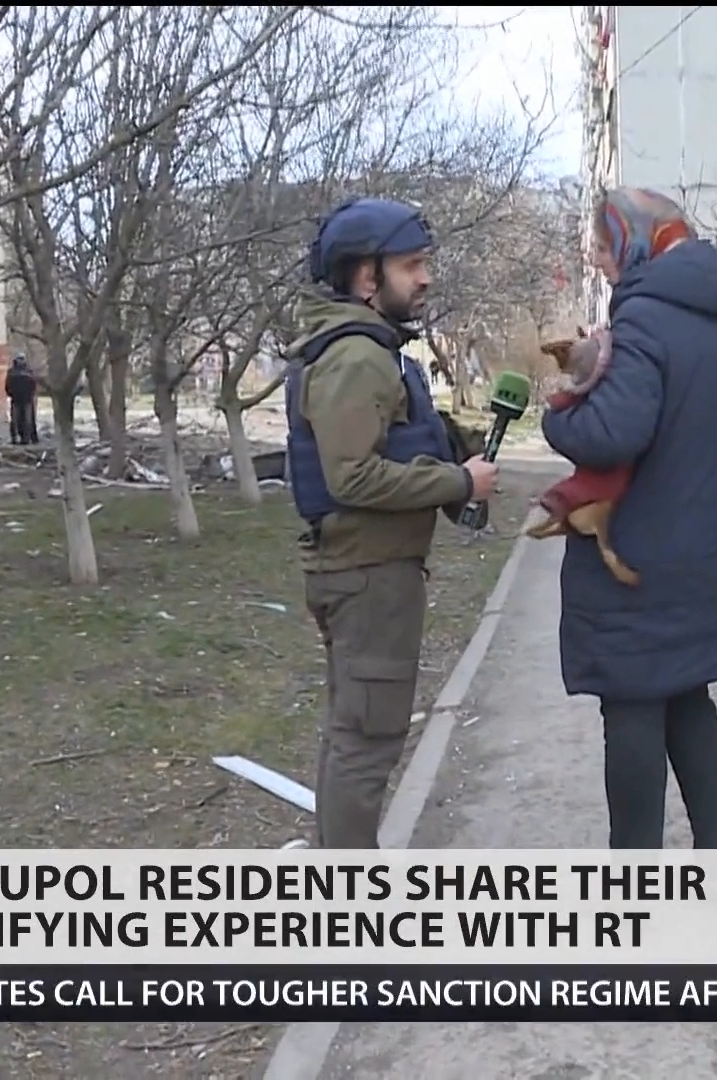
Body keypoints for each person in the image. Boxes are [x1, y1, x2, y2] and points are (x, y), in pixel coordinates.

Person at [540, 187, 717, 850]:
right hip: (710, 562)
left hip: (641, 564)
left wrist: (561, 405)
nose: (604, 264)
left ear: (639, 241)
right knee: (688, 701)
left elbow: (611, 434)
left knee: (634, 708)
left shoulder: (644, 322)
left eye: (607, 249)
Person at [284, 197, 499, 849]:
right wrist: (459, 482)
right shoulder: (356, 356)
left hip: (366, 572)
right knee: (367, 743)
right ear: (366, 277)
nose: (426, 278)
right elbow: (351, 475)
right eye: (411, 265)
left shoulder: (366, 350)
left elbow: (381, 449)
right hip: (367, 578)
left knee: (353, 732)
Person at [5, 355, 39, 445]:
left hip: (17, 399)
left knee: (17, 420)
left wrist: (11, 394)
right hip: (25, 399)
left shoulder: (11, 372)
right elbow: (33, 386)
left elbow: (7, 386)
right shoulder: (28, 372)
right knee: (27, 420)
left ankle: (17, 438)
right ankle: (25, 438)